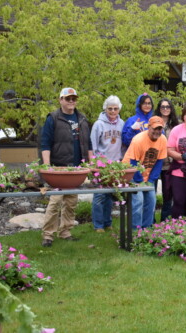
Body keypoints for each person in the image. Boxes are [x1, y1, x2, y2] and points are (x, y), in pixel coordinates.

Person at [40, 87, 92, 247]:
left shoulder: (82, 119)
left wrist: (91, 165)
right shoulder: (53, 118)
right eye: (68, 98)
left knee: (71, 202)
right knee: (55, 202)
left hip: (77, 168)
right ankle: (48, 235)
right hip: (58, 168)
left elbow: (88, 144)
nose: (71, 101)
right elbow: (45, 143)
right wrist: (47, 166)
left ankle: (65, 231)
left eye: (73, 99)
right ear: (60, 100)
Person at [122, 116, 168, 229]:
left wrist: (151, 180)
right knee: (138, 201)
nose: (157, 132)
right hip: (131, 173)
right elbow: (133, 162)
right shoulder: (138, 140)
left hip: (147, 175)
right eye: (155, 129)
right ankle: (135, 230)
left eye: (159, 129)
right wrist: (140, 181)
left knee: (151, 201)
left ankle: (146, 229)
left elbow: (159, 162)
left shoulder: (163, 139)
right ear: (149, 127)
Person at [90, 95, 124, 232]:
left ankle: (107, 223)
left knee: (110, 195)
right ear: (105, 109)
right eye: (110, 108)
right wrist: (95, 163)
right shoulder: (98, 124)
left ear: (119, 109)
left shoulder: (122, 123)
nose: (113, 111)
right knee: (99, 196)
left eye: (115, 108)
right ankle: (98, 225)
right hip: (101, 164)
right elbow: (93, 145)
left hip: (116, 164)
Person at [154, 98, 179, 221]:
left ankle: (165, 221)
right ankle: (150, 221)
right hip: (155, 163)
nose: (165, 109)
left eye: (167, 107)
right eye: (163, 107)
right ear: (159, 109)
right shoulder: (153, 123)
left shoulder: (175, 125)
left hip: (170, 164)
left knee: (168, 194)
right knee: (151, 194)